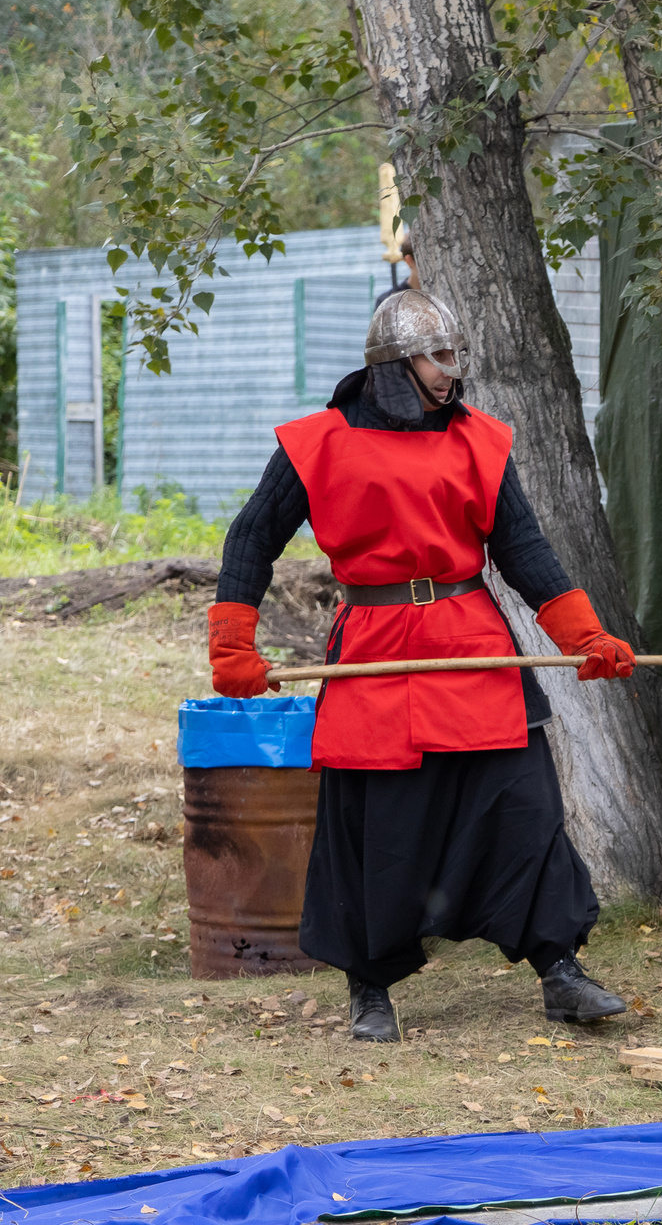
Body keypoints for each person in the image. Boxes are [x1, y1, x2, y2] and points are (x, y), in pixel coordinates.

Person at [207, 286, 637, 1044]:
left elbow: (524, 550)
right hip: (371, 650)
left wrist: (584, 634)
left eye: (454, 354)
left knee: (523, 810)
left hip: (471, 642)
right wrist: (233, 644)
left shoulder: (479, 440)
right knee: (377, 824)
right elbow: (250, 539)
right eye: (438, 355)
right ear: (395, 362)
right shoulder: (320, 443)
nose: (451, 370)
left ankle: (560, 969)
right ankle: (369, 988)